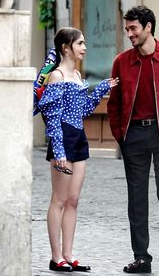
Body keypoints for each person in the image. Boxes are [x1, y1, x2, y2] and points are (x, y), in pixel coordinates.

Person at [107, 5, 159, 273]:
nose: (129, 34)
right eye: (127, 29)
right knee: (137, 197)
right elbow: (115, 103)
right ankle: (142, 257)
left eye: (133, 29)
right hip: (133, 135)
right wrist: (121, 134)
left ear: (148, 27)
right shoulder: (121, 61)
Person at [37, 27, 118, 272]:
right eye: (80, 43)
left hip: (79, 137)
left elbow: (82, 112)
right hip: (62, 138)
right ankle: (56, 256)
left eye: (84, 43)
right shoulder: (58, 76)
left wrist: (101, 89)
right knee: (59, 200)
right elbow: (52, 117)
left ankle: (69, 255)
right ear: (66, 47)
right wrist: (59, 151)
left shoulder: (77, 76)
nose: (84, 47)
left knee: (73, 200)